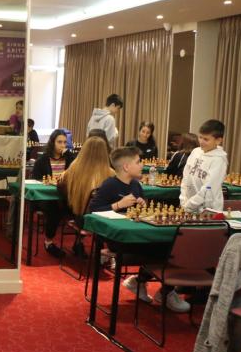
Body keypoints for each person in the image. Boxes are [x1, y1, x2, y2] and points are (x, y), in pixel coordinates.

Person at [88, 147, 188, 312]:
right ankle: (152, 287)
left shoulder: (136, 185)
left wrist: (143, 205)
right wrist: (118, 205)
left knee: (175, 247)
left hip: (139, 233)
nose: (142, 165)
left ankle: (155, 287)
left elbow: (140, 211)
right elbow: (93, 210)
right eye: (138, 162)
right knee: (166, 250)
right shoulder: (109, 184)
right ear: (126, 167)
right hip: (117, 238)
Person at [58, 137, 114, 257]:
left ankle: (79, 242)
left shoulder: (73, 168)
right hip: (103, 219)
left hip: (78, 216)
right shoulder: (111, 173)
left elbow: (62, 187)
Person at [31, 130, 75, 258]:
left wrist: (69, 154)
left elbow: (78, 169)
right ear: (52, 142)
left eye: (64, 142)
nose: (62, 145)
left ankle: (78, 243)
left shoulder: (69, 159)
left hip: (64, 196)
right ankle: (48, 242)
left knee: (81, 207)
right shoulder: (42, 160)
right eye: (59, 142)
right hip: (45, 197)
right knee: (55, 208)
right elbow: (35, 181)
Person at [180, 119, 228, 213]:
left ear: (218, 140)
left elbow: (209, 187)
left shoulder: (219, 160)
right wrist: (183, 199)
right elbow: (185, 177)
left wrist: (190, 204)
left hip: (207, 209)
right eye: (200, 137)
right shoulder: (195, 152)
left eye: (206, 139)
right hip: (187, 204)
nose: (201, 141)